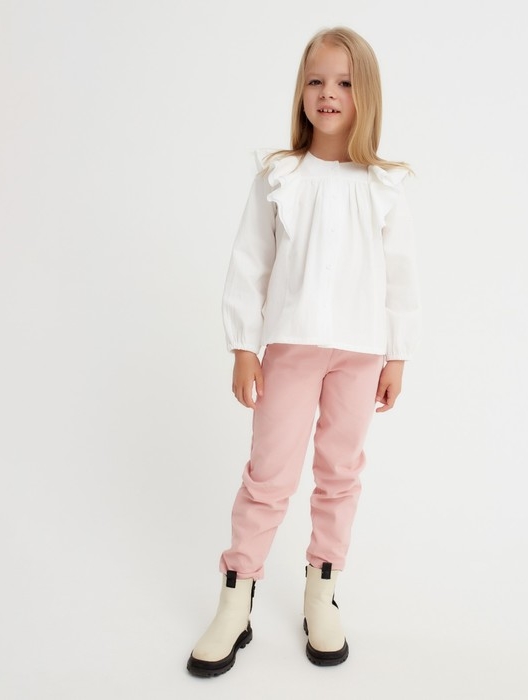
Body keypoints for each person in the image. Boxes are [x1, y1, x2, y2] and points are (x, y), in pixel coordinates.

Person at [187, 25, 421, 677]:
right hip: (290, 349)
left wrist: (397, 355)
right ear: (300, 92)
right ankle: (236, 600)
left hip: (360, 354)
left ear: (365, 94)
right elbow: (250, 262)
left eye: (344, 82)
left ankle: (322, 594)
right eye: (316, 80)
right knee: (268, 475)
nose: (328, 93)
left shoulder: (384, 185)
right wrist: (243, 345)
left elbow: (401, 276)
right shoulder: (280, 175)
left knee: (340, 473)